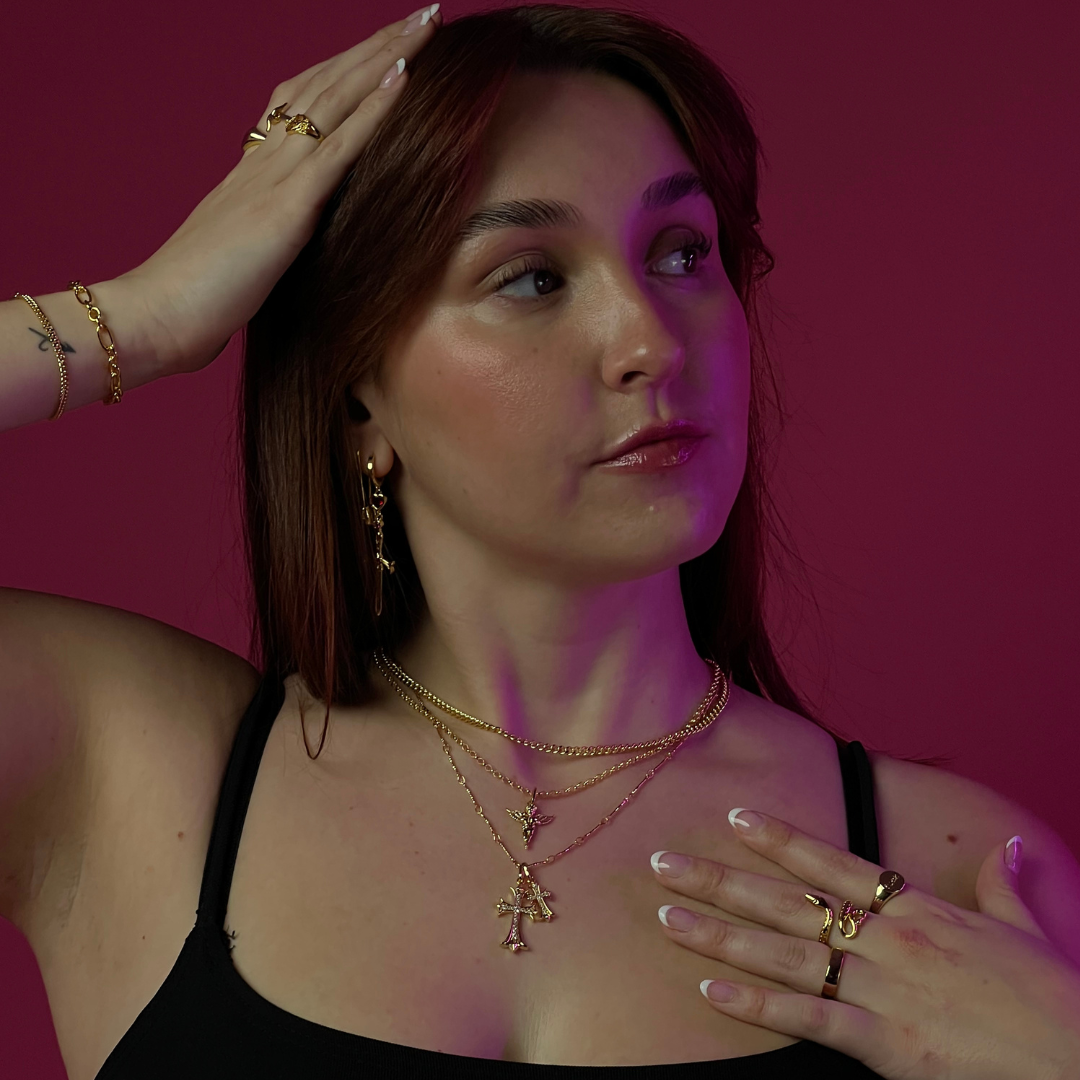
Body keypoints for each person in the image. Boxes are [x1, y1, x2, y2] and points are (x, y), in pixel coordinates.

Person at [1, 4, 1079, 1078]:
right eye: (532, 277)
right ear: (360, 399)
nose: (651, 341)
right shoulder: (119, 773)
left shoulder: (955, 873)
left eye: (682, 254)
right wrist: (142, 319)